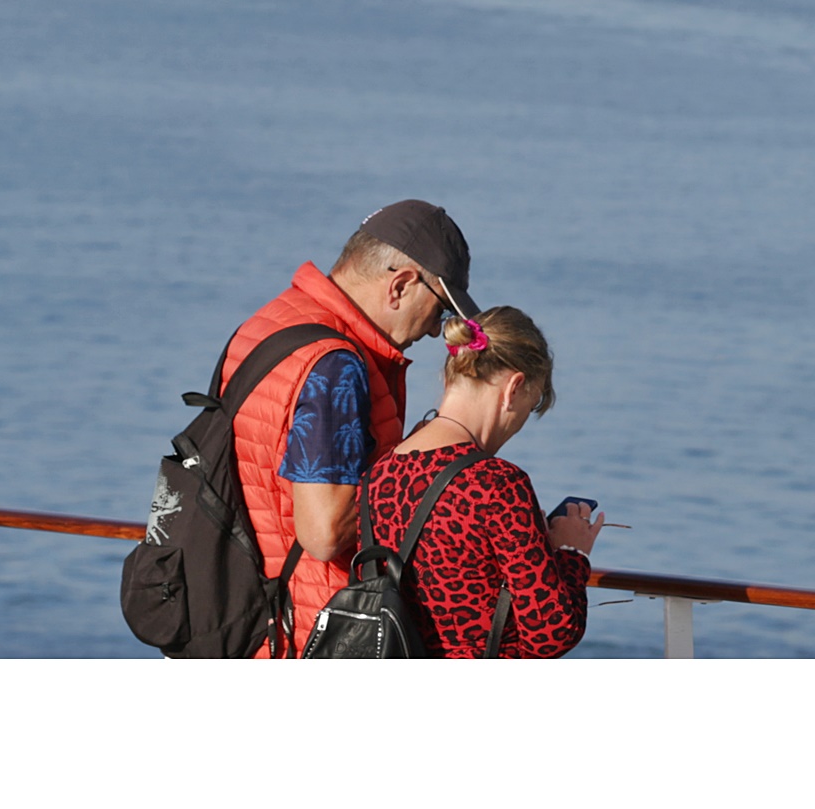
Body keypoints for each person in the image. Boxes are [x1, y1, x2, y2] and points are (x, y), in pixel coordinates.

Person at [222, 199, 479, 656]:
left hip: (242, 611)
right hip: (309, 631)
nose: (434, 331)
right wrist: (423, 461)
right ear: (401, 285)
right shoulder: (335, 365)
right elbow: (322, 535)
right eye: (440, 310)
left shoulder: (270, 322)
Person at [361, 305, 605, 657]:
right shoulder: (497, 484)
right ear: (514, 388)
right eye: (532, 404)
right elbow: (551, 634)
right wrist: (571, 553)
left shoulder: (380, 473)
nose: (521, 422)